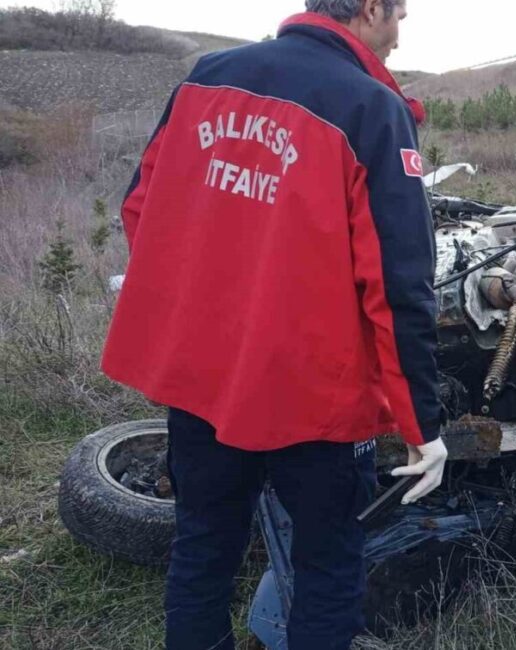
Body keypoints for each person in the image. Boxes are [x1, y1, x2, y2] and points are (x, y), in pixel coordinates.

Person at [100, 1, 447, 647]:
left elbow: (140, 210)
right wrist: (421, 425)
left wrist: (211, 304)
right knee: (328, 563)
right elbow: (399, 287)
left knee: (203, 548)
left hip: (204, 381)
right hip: (316, 399)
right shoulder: (371, 107)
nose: (398, 36)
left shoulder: (207, 76)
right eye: (398, 15)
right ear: (371, 8)